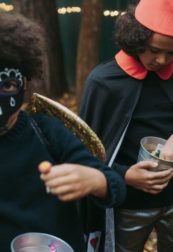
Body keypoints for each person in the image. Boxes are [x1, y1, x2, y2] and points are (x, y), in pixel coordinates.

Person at [79, 0, 173, 251]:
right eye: (154, 49)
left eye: (172, 53)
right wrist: (124, 175)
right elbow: (86, 151)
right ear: (136, 38)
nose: (161, 60)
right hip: (127, 203)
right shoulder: (103, 81)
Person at [0, 11, 126, 251]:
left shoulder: (46, 132)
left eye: (7, 85)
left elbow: (115, 187)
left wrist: (95, 180)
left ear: (25, 84)